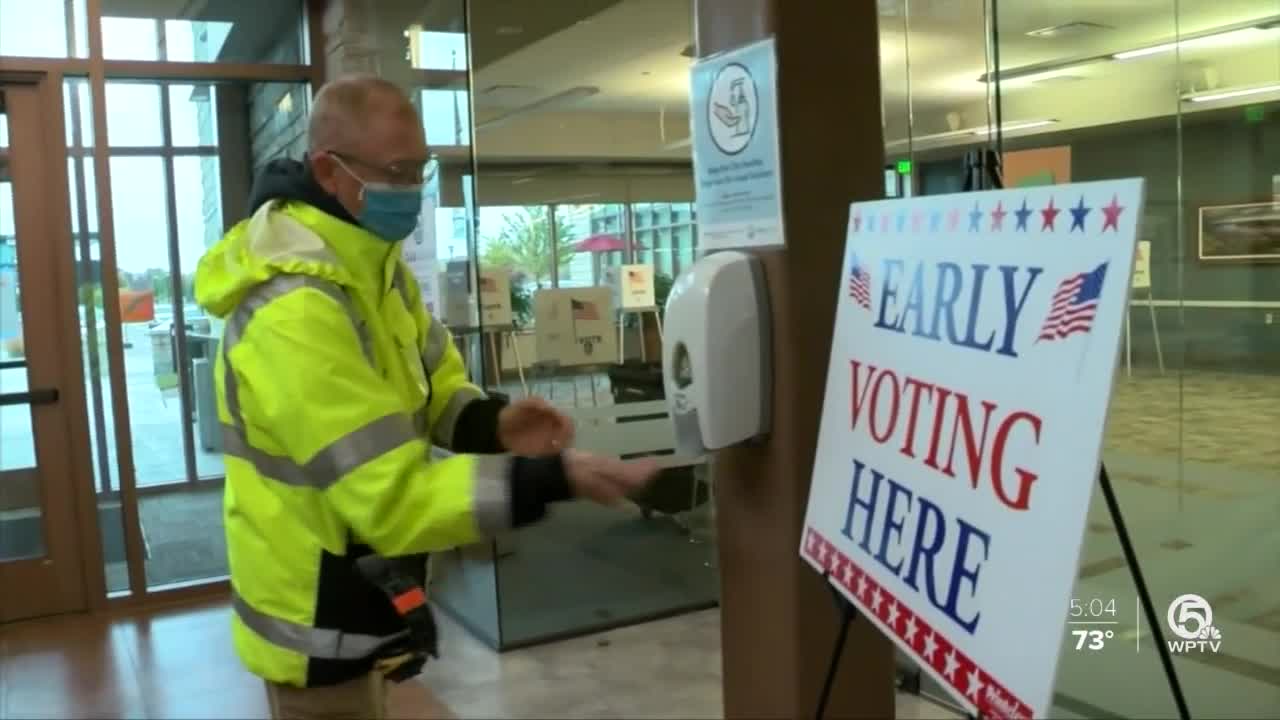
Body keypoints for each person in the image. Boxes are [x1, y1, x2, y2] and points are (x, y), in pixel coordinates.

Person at [193, 73, 658, 719]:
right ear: (329, 172)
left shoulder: (374, 271)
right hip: (316, 619)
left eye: (420, 168)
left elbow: (434, 383)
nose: (412, 189)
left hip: (366, 590)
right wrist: (551, 478)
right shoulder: (294, 310)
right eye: (396, 170)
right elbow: (392, 497)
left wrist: (492, 423)